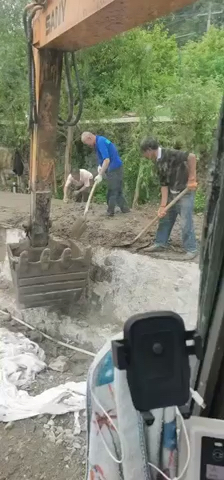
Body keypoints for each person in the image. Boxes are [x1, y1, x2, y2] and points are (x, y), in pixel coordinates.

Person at [140, 138, 198, 260]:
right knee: (165, 218)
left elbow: (192, 157)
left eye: (144, 153)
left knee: (185, 223)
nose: (144, 156)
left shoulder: (171, 153)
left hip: (184, 192)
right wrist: (162, 206)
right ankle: (161, 243)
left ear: (149, 150)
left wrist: (192, 178)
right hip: (172, 193)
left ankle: (191, 249)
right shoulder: (157, 162)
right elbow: (164, 184)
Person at [81, 132, 130, 216]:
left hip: (115, 168)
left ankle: (110, 212)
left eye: (86, 143)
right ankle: (125, 209)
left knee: (112, 190)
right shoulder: (98, 141)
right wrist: (100, 165)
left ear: (89, 138)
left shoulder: (101, 142)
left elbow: (107, 160)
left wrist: (100, 174)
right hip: (113, 168)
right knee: (117, 190)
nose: (87, 145)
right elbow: (104, 157)